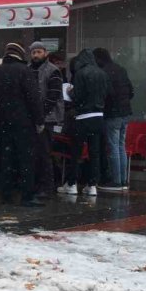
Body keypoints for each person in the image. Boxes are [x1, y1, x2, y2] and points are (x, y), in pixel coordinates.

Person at [0, 43, 45, 206]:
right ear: (20, 54)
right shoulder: (25, 71)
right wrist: (39, 120)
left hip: (4, 122)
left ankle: (6, 193)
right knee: (26, 159)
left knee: (7, 158)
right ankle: (27, 195)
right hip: (24, 122)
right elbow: (34, 98)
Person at [59, 49, 110, 197]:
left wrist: (70, 92)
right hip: (98, 117)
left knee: (76, 152)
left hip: (82, 117)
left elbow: (78, 96)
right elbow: (107, 93)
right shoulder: (102, 74)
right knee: (95, 152)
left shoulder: (81, 73)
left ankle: (72, 184)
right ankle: (92, 185)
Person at [94, 48, 135, 191]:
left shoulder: (104, 72)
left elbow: (105, 94)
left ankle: (116, 181)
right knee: (121, 146)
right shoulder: (121, 69)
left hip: (112, 114)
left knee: (113, 147)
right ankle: (123, 180)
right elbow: (131, 91)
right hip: (125, 113)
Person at [29, 42, 64, 196]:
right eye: (33, 52)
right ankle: (38, 184)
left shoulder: (53, 71)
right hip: (34, 117)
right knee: (35, 153)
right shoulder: (29, 69)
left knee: (44, 153)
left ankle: (47, 186)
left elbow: (53, 96)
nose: (36, 55)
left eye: (38, 52)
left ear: (45, 53)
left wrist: (40, 115)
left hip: (47, 118)